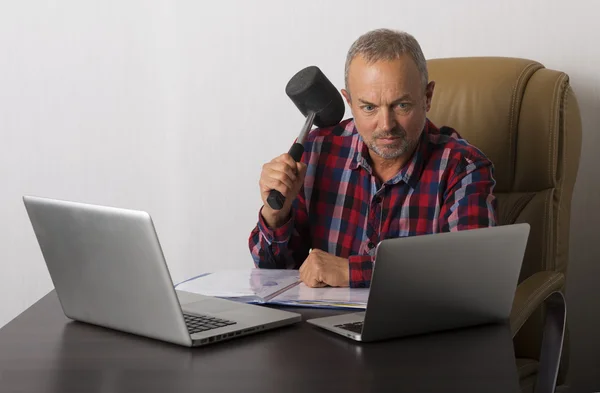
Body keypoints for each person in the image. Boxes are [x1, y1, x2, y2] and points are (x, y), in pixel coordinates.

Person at [248, 28, 497, 288]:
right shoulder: (316, 151)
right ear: (349, 102)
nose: (386, 125)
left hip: (416, 326)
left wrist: (352, 271)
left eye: (401, 105)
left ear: (427, 97)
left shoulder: (463, 168)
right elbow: (274, 275)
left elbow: (472, 273)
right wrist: (276, 215)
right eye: (369, 107)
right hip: (320, 325)